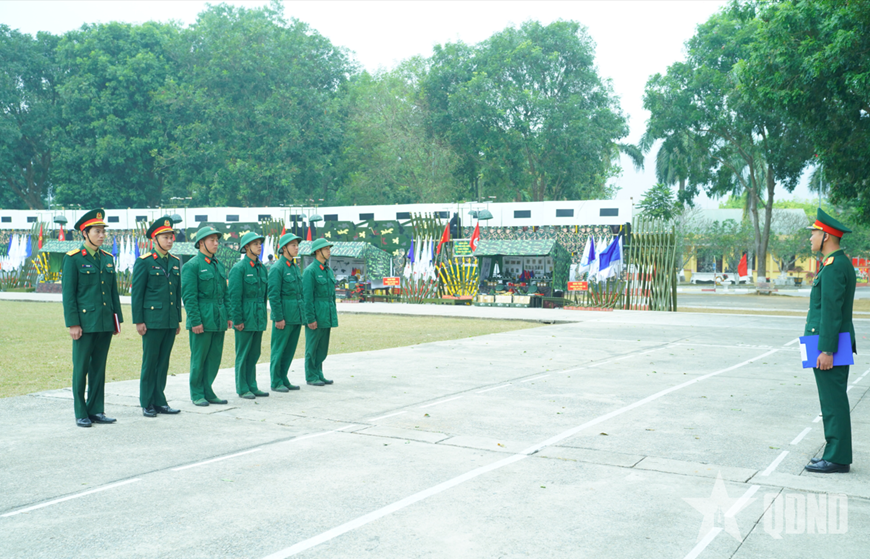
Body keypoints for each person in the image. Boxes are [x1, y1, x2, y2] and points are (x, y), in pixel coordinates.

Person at [804, 208, 856, 474]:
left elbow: (832, 312)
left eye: (813, 233)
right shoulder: (834, 263)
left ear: (825, 236)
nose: (810, 238)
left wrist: (826, 349)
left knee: (833, 402)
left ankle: (837, 457)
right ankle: (834, 453)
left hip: (829, 344)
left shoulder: (835, 266)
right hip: (827, 341)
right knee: (831, 401)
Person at [62, 209, 123, 428]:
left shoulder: (107, 258)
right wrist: (73, 323)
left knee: (99, 368)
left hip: (105, 322)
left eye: (103, 231)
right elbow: (69, 294)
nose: (102, 235)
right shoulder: (73, 259)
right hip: (85, 324)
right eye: (97, 231)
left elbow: (113, 292)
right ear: (85, 233)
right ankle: (81, 412)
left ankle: (96, 409)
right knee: (81, 369)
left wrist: (117, 320)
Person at [132, 216, 182, 418]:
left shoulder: (175, 262)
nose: (170, 241)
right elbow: (137, 294)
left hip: (169, 320)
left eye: (171, 237)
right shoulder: (144, 262)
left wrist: (177, 319)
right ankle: (147, 402)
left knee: (163, 363)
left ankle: (160, 400)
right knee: (150, 362)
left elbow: (176, 293)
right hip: (152, 321)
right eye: (165, 237)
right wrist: (139, 321)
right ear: (155, 239)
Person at [182, 226, 231, 406]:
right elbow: (189, 296)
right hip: (202, 318)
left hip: (218, 318)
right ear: (201, 243)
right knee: (199, 358)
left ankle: (208, 390)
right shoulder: (192, 266)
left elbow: (225, 293)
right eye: (212, 240)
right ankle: (197, 393)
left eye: (217, 240)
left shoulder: (219, 265)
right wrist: (195, 320)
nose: (216, 243)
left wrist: (228, 315)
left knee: (214, 357)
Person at [229, 232, 269, 399]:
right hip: (245, 316)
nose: (259, 246)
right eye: (255, 244)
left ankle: (252, 385)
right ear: (246, 247)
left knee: (254, 353)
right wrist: (237, 319)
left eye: (260, 243)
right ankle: (242, 387)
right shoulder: (239, 269)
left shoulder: (262, 268)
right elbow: (234, 296)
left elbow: (264, 296)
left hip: (258, 316)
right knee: (243, 353)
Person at [269, 233, 304, 392]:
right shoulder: (277, 268)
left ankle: (283, 378)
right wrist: (278, 317)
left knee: (289, 350)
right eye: (293, 245)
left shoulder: (294, 267)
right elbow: (273, 295)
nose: (296, 248)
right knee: (279, 350)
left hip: (295, 315)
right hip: (284, 316)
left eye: (297, 245)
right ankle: (276, 381)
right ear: (284, 248)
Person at [302, 238, 337, 386]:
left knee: (322, 347)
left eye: (329, 248)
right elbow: (307, 297)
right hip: (316, 314)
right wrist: (310, 318)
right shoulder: (310, 271)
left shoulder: (328, 270)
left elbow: (332, 296)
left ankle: (319, 373)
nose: (329, 251)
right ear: (318, 251)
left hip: (326, 314)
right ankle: (311, 376)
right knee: (312, 347)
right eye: (326, 249)